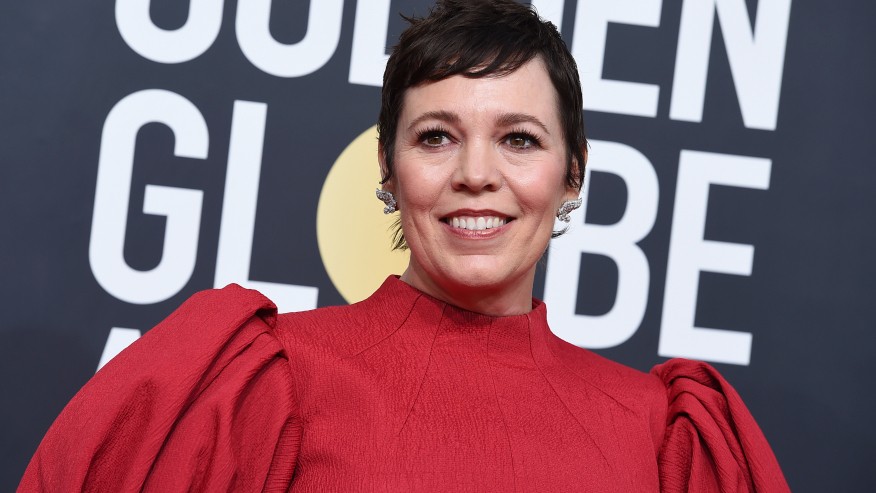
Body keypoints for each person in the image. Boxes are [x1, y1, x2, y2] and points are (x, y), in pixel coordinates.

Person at [19, 1, 789, 491]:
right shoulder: (268, 379)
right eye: (436, 137)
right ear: (388, 169)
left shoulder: (663, 435)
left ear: (572, 175)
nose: (476, 175)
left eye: (519, 139)